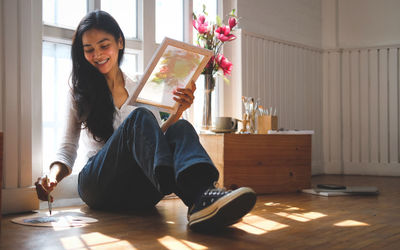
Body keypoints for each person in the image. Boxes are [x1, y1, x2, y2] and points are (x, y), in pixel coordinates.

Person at [35, 10, 256, 231]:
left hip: (141, 191)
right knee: (139, 117)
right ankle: (190, 188)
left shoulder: (142, 84)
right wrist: (51, 177)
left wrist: (178, 112)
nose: (97, 55)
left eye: (104, 46)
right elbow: (67, 149)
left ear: (120, 42)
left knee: (180, 126)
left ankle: (201, 197)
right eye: (89, 50)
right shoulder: (79, 92)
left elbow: (154, 139)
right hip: (98, 187)